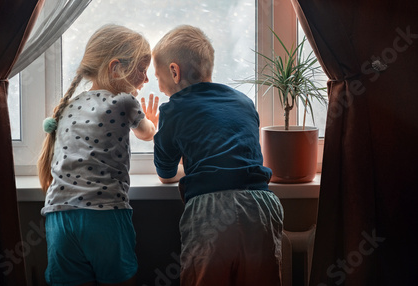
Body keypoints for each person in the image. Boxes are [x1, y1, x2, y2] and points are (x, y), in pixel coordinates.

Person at [151, 25, 284, 286]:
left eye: (157, 76)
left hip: (211, 211)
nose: (159, 85)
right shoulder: (243, 102)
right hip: (261, 206)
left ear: (174, 71)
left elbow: (165, 173)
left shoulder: (173, 109)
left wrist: (161, 129)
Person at [37, 24, 158, 286]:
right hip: (103, 215)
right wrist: (152, 122)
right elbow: (147, 133)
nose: (146, 79)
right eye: (141, 69)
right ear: (116, 68)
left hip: (58, 216)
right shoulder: (124, 101)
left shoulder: (67, 107)